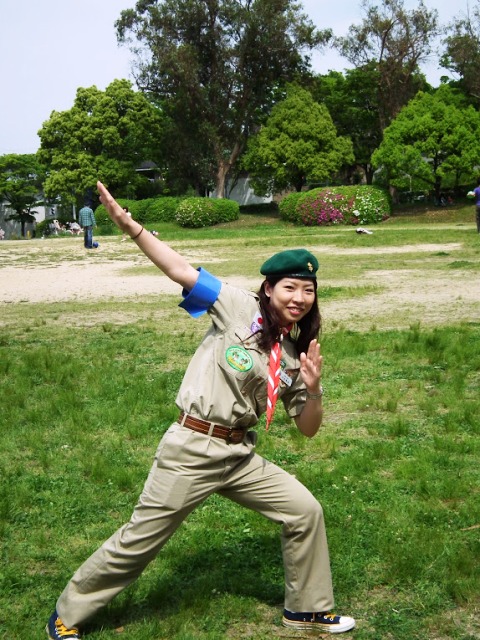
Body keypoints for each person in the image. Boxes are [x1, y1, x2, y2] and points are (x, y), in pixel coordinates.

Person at [45, 181, 355, 640]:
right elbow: (180, 269)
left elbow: (307, 429)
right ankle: (67, 614)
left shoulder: (294, 355)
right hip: (192, 447)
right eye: (289, 287)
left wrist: (314, 391)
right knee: (140, 540)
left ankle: (307, 610)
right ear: (269, 288)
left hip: (239, 455)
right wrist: (131, 227)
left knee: (304, 511)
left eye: (307, 291)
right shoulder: (236, 306)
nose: (299, 298)